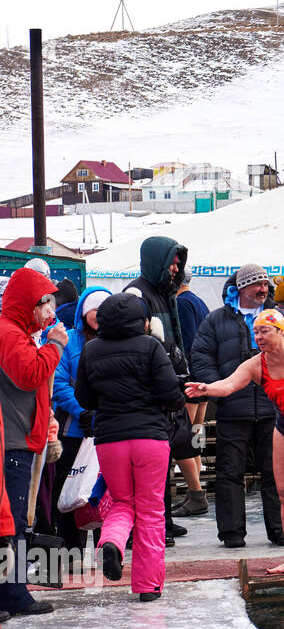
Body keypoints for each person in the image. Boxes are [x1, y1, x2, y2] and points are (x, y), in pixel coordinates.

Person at [187, 309, 284, 575]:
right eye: (256, 332)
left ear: (280, 331)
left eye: (264, 331)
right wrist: (206, 389)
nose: (258, 337)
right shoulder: (257, 363)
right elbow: (228, 385)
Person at [78, 293, 184, 601]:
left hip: (110, 439)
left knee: (122, 501)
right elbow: (171, 395)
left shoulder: (91, 349)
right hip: (150, 438)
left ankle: (110, 542)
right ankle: (148, 586)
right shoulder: (151, 346)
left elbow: (85, 399)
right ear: (142, 321)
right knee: (151, 511)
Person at [190, 264, 284, 548]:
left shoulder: (281, 319)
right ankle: (231, 533)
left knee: (277, 472)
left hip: (273, 411)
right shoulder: (216, 320)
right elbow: (201, 358)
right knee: (229, 474)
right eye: (256, 285)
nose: (262, 289)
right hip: (232, 411)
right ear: (241, 288)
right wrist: (222, 393)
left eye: (265, 284)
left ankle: (280, 531)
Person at [0, 267, 65, 619]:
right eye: (44, 303)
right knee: (9, 525)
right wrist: (55, 345)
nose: (49, 311)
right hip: (10, 442)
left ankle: (14, 593)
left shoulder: (17, 333)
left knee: (16, 523)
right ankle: (12, 595)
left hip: (19, 439)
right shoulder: (9, 333)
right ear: (30, 304)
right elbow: (28, 375)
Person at [124, 234, 191, 542]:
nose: (176, 270)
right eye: (172, 264)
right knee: (152, 466)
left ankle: (164, 517)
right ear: (158, 262)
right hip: (150, 391)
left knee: (164, 459)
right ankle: (155, 524)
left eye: (178, 265)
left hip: (165, 385)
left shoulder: (163, 294)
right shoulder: (138, 293)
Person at [49, 286, 111, 545]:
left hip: (109, 429)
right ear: (84, 312)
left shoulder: (116, 340)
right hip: (74, 429)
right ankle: (71, 549)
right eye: (95, 310)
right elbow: (59, 383)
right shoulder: (71, 340)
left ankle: (105, 548)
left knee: (104, 491)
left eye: (105, 311)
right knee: (70, 488)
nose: (100, 316)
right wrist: (82, 410)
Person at [174, 272, 211, 516]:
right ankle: (198, 487)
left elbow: (187, 339)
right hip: (205, 376)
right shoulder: (200, 301)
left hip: (191, 377)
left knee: (184, 436)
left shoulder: (182, 303)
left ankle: (195, 490)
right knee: (197, 431)